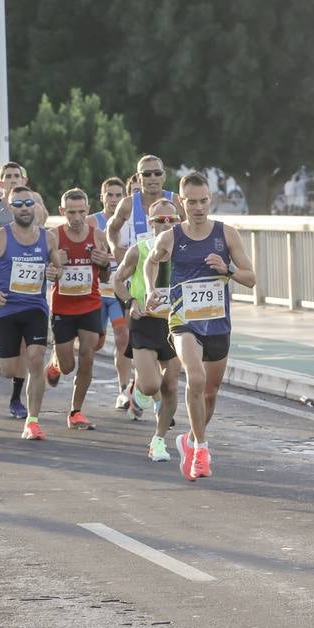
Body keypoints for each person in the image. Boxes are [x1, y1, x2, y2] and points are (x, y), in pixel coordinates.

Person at [144, 171, 255, 480]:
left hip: (217, 322)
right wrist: (151, 289)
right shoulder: (171, 237)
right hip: (183, 321)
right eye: (191, 202)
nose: (198, 207)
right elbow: (151, 260)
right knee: (195, 376)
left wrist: (227, 268)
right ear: (181, 202)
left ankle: (191, 440)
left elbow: (251, 278)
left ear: (211, 200)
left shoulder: (227, 234)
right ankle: (202, 450)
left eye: (203, 201)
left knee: (210, 392)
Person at [0, 186, 61, 439]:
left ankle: (32, 422)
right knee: (9, 370)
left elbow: (58, 268)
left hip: (35, 308)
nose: (23, 208)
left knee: (35, 360)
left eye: (28, 203)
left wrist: (55, 273)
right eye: (18, 204)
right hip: (7, 309)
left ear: (36, 207)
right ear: (10, 209)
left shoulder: (48, 238)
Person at [113, 198, 183, 462]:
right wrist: (130, 302)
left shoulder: (186, 250)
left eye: (172, 220)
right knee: (152, 383)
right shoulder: (139, 250)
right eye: (160, 220)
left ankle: (159, 440)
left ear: (179, 221)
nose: (166, 224)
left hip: (176, 323)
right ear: (151, 223)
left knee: (171, 385)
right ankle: (138, 390)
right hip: (145, 320)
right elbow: (118, 280)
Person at [0, 162, 46, 418]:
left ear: (24, 179)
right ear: (0, 184)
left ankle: (18, 399)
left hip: (30, 295)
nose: (11, 179)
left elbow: (43, 236)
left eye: (15, 176)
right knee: (6, 359)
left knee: (28, 353)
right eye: (6, 176)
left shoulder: (35, 205)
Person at [110, 155, 175, 413]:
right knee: (131, 333)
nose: (151, 178)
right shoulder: (128, 204)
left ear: (164, 175)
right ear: (138, 178)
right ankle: (145, 383)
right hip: (137, 283)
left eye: (156, 173)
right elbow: (112, 228)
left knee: (170, 376)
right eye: (145, 174)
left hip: (171, 299)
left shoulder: (175, 201)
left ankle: (147, 394)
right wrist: (116, 248)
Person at [45, 189, 112, 429]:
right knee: (67, 366)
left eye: (81, 212)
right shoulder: (53, 237)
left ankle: (76, 411)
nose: (76, 218)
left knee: (87, 356)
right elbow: (47, 273)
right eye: (71, 212)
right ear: (62, 212)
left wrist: (103, 264)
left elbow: (105, 277)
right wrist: (53, 267)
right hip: (62, 307)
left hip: (90, 304)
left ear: (87, 210)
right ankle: (54, 364)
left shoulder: (99, 236)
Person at [94, 177, 134, 411]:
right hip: (96, 293)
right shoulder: (92, 222)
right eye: (110, 195)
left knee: (122, 337)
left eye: (119, 195)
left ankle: (123, 390)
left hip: (119, 292)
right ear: (102, 197)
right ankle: (59, 359)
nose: (114, 200)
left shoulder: (130, 223)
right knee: (95, 342)